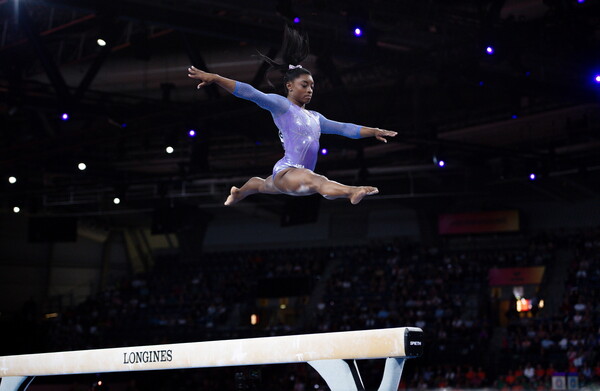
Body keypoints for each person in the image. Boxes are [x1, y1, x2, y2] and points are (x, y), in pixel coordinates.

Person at [187, 26, 397, 205]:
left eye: (312, 86)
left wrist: (373, 131)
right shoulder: (282, 106)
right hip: (290, 171)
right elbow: (251, 93)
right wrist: (215, 77)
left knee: (261, 185)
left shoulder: (316, 117)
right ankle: (352, 191)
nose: (310, 90)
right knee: (317, 181)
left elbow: (344, 128)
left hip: (290, 175)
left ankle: (239, 192)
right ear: (289, 86)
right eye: (304, 85)